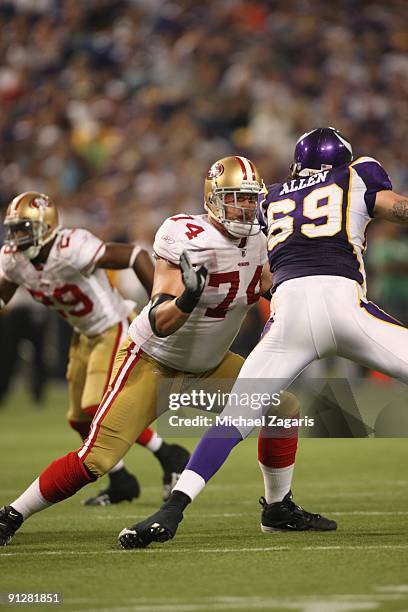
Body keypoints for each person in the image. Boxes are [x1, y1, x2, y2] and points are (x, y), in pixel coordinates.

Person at [0, 156, 335, 547]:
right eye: (235, 198)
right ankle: (11, 515)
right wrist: (190, 297)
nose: (245, 207)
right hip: (153, 362)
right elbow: (161, 319)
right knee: (96, 459)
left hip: (210, 367)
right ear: (213, 198)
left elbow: (265, 286)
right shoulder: (185, 234)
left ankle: (277, 509)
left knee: (283, 408)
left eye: (250, 198)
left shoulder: (262, 239)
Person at [116, 127, 408, 549]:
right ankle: (272, 508)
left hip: (288, 312)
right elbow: (396, 208)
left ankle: (172, 509)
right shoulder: (357, 174)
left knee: (234, 419)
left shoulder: (270, 196)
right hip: (343, 305)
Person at [0, 192, 190, 507]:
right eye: (14, 229)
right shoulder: (14, 260)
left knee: (94, 405)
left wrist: (158, 305)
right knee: (77, 419)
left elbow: (134, 256)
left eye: (24, 229)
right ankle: (121, 480)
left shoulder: (71, 248)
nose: (17, 237)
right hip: (83, 333)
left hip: (113, 325)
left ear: (46, 228)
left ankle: (169, 455)